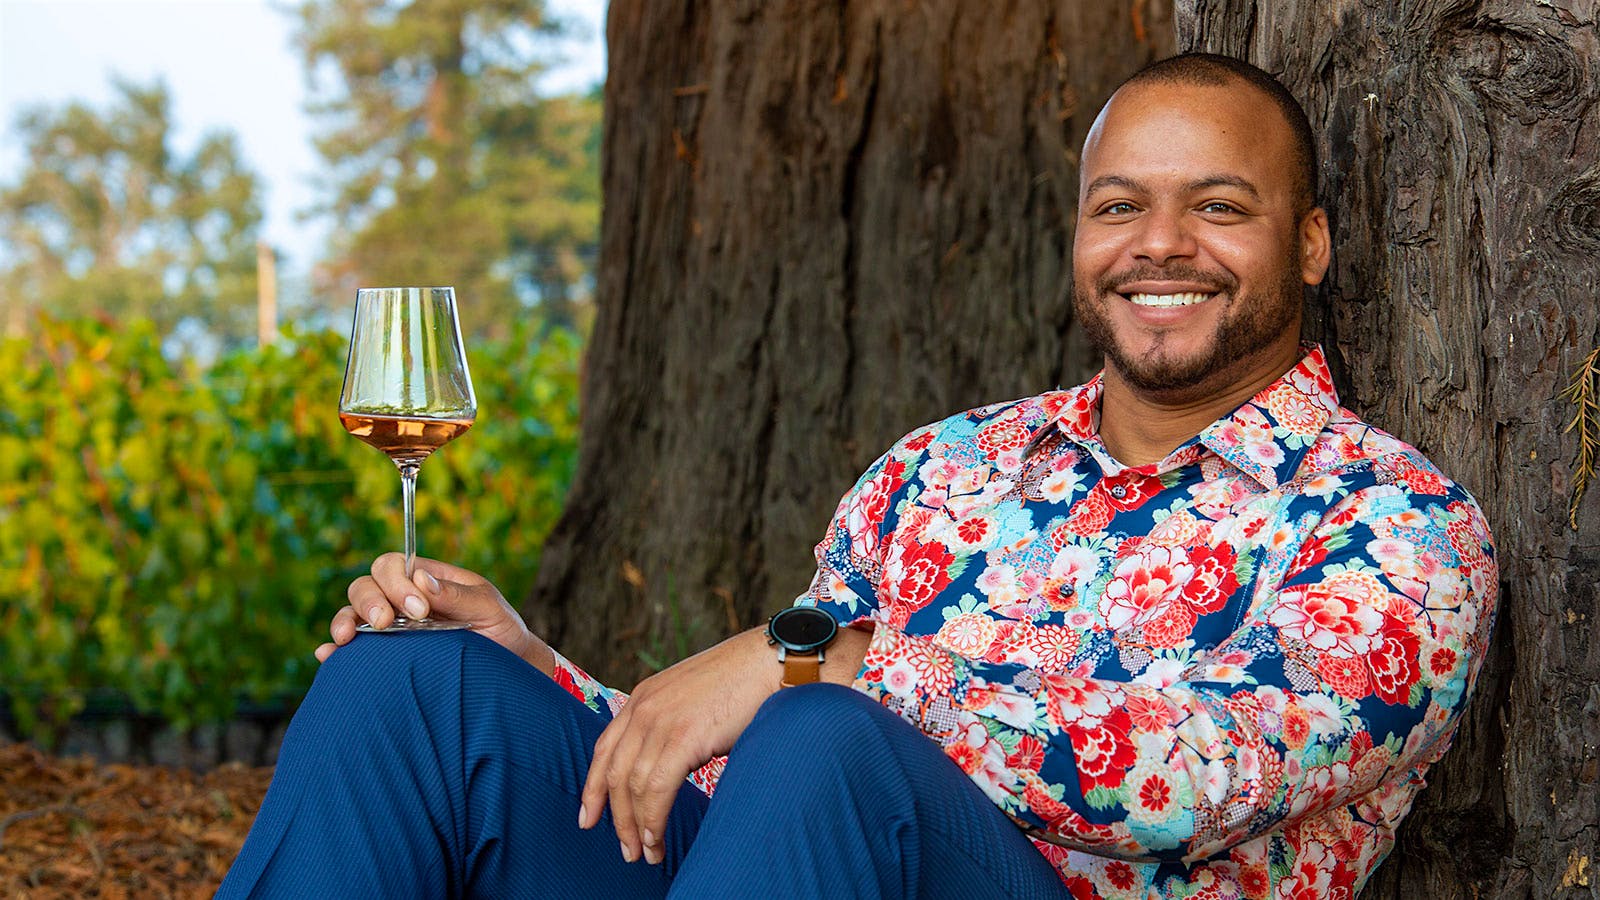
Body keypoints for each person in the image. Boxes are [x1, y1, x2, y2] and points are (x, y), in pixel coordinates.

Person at [219, 52, 1497, 899]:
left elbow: (1194, 781)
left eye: (1218, 206)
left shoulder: (1396, 526)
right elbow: (748, 774)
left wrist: (831, 666)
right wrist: (534, 666)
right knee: (419, 688)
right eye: (1118, 207)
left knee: (831, 735)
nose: (1158, 244)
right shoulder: (943, 469)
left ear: (1311, 241)